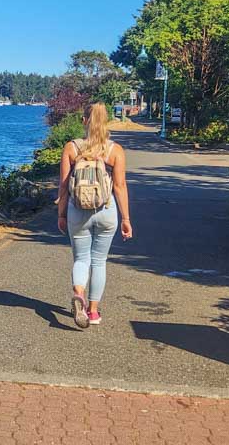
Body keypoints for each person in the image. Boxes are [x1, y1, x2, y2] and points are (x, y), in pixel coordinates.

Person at [57, 103, 133, 329]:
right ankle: (92, 311)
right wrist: (126, 219)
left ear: (84, 121)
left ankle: (78, 293)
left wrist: (61, 214)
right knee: (99, 261)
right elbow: (119, 186)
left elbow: (63, 187)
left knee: (81, 259)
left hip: (77, 210)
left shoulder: (71, 148)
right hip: (106, 210)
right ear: (106, 122)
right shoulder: (115, 150)